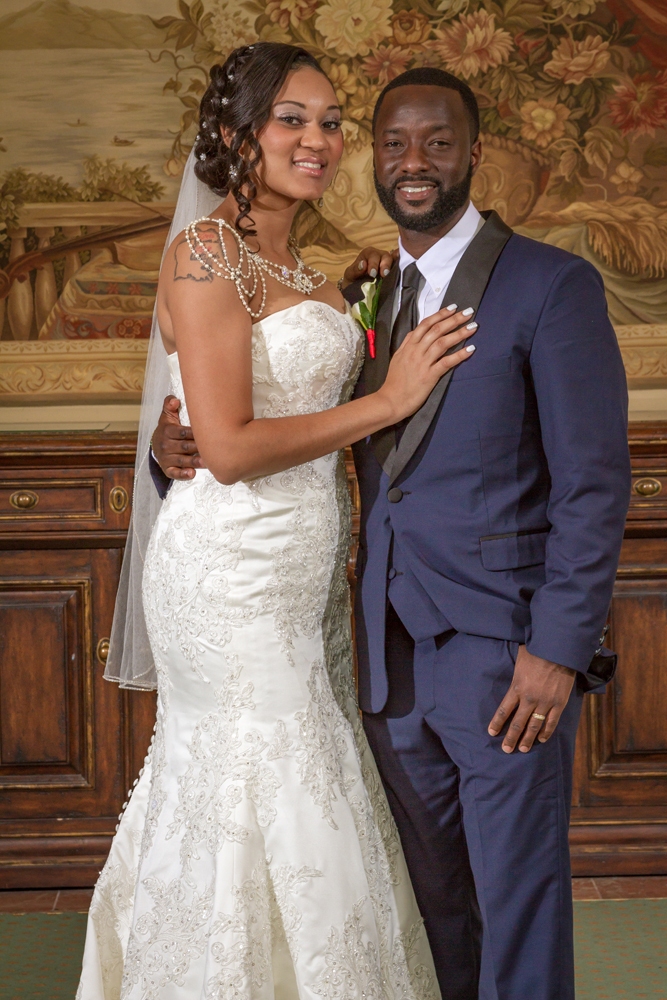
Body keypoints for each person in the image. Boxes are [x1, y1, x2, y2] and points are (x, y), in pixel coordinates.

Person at [152, 67, 632, 1000]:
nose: (414, 162)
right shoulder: (362, 293)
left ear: (474, 153)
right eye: (394, 143)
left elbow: (592, 483)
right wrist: (175, 445)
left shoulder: (552, 285)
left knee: (517, 901)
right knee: (428, 907)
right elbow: (263, 414)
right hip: (375, 655)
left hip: (503, 655)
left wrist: (557, 652)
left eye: (437, 143)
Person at [76, 44, 488, 1000]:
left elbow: (277, 384)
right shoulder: (205, 253)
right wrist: (388, 400)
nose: (320, 140)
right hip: (229, 573)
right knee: (265, 775)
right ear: (237, 136)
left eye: (332, 122)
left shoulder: (300, 266)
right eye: (291, 120)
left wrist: (359, 297)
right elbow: (225, 447)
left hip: (305, 575)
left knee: (306, 773)